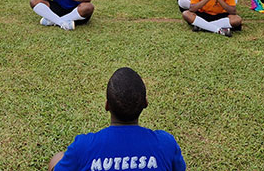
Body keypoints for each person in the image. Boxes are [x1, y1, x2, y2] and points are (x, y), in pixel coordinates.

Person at [48, 67, 186, 171]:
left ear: (107, 106)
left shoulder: (83, 147)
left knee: (57, 158)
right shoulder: (166, 143)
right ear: (145, 104)